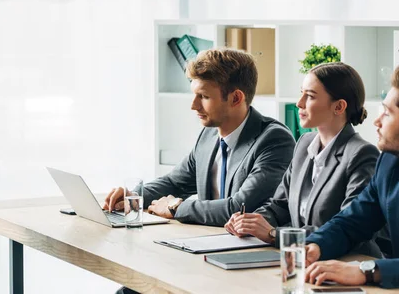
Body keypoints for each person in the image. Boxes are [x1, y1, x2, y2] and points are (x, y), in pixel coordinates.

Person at [104, 48, 295, 225]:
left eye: (203, 96)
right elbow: (174, 183)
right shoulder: (209, 135)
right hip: (205, 241)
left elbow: (240, 208)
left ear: (236, 98)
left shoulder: (274, 140)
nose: (193, 106)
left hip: (252, 252)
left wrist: (175, 207)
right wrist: (134, 196)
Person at [224, 62, 380, 255]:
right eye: (301, 93)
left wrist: (274, 234)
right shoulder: (304, 143)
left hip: (344, 262)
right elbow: (279, 205)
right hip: (300, 257)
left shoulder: (362, 154)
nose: (299, 103)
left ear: (339, 106)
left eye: (310, 96)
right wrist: (250, 222)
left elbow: (347, 229)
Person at [303, 65, 399, 289]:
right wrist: (316, 246)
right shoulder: (389, 161)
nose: (377, 121)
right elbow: (353, 221)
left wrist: (368, 271)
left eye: (387, 112)